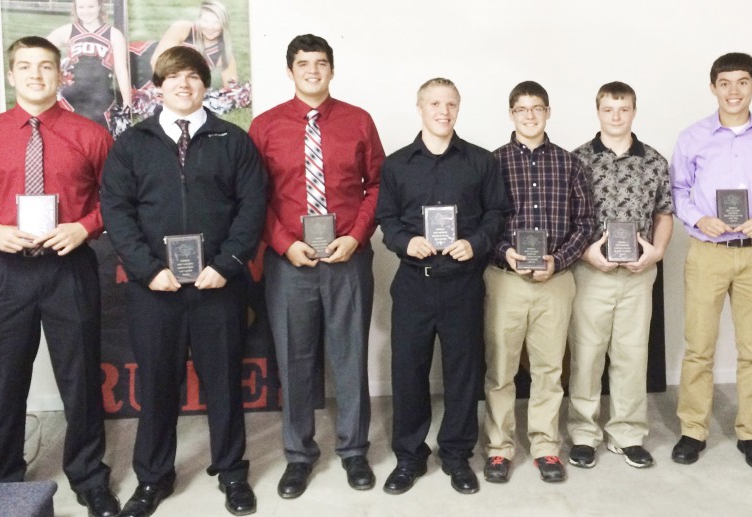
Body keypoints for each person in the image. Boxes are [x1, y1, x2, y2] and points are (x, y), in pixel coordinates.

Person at [0, 35, 118, 517]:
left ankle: (89, 477)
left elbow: (117, 200)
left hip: (70, 269)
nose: (36, 75)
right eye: (25, 67)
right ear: (11, 74)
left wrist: (85, 227)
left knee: (81, 378)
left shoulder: (91, 134)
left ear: (60, 74)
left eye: (46, 66)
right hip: (7, 272)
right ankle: (2, 475)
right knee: (5, 380)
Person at [101, 45, 264, 516]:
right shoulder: (133, 143)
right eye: (174, 77)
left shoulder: (233, 140)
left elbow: (251, 208)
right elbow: (117, 211)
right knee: (156, 384)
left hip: (219, 285)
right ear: (158, 86)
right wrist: (149, 270)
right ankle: (153, 478)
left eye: (193, 76)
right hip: (156, 289)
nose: (184, 84)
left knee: (223, 383)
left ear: (205, 84)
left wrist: (228, 264)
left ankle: (232, 472)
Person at [248, 34, 383, 499]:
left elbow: (377, 186)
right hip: (291, 264)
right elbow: (254, 198)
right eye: (303, 64)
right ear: (290, 71)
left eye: (320, 63)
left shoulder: (358, 121)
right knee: (295, 360)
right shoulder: (264, 127)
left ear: (331, 69)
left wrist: (355, 236)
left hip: (347, 259)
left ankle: (353, 451)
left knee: (349, 359)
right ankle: (299, 456)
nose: (312, 71)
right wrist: (284, 244)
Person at [375, 77, 510, 495]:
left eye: (450, 104)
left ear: (458, 109)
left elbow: (496, 214)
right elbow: (387, 219)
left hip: (462, 285)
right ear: (420, 108)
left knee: (463, 374)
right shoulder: (397, 164)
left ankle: (456, 455)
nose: (443, 111)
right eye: (434, 103)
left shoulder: (480, 162)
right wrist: (404, 241)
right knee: (409, 372)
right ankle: (410, 457)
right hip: (415, 284)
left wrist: (475, 243)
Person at [670, 52, 752, 470]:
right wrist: (699, 218)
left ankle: (751, 434)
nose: (734, 90)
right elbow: (678, 191)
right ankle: (693, 430)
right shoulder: (692, 137)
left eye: (743, 82)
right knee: (699, 348)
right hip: (708, 253)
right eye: (725, 82)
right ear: (713, 87)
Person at [481, 80, 594, 484]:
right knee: (501, 369)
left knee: (549, 370)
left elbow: (586, 223)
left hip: (555, 281)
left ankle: (546, 446)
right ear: (511, 114)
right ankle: (499, 448)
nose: (530, 116)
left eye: (537, 108)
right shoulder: (491, 163)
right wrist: (504, 252)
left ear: (548, 112)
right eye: (522, 109)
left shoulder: (569, 164)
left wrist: (558, 259)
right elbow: (481, 223)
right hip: (505, 280)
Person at [566, 82, 673, 471]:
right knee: (587, 353)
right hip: (590, 270)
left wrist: (657, 253)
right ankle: (583, 433)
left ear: (633, 111)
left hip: (638, 273)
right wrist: (586, 252)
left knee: (631, 355)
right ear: (598, 111)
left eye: (623, 109)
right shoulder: (577, 160)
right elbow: (568, 219)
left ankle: (627, 434)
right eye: (609, 109)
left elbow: (664, 213)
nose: (616, 116)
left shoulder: (655, 161)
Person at [46, 0, 131, 133]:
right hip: (72, 97)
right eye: (81, 7)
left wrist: (127, 100)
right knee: (71, 134)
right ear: (76, 8)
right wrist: (57, 70)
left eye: (91, 6)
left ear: (99, 7)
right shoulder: (68, 30)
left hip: (101, 97)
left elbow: (121, 70)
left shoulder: (113, 34)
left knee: (102, 136)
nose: (86, 11)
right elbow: (41, 50)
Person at [150, 0, 237, 87]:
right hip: (162, 82)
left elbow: (231, 87)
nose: (210, 27)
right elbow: (156, 61)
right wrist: (163, 90)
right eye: (205, 21)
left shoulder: (225, 55)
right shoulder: (182, 28)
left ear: (224, 24)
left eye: (216, 22)